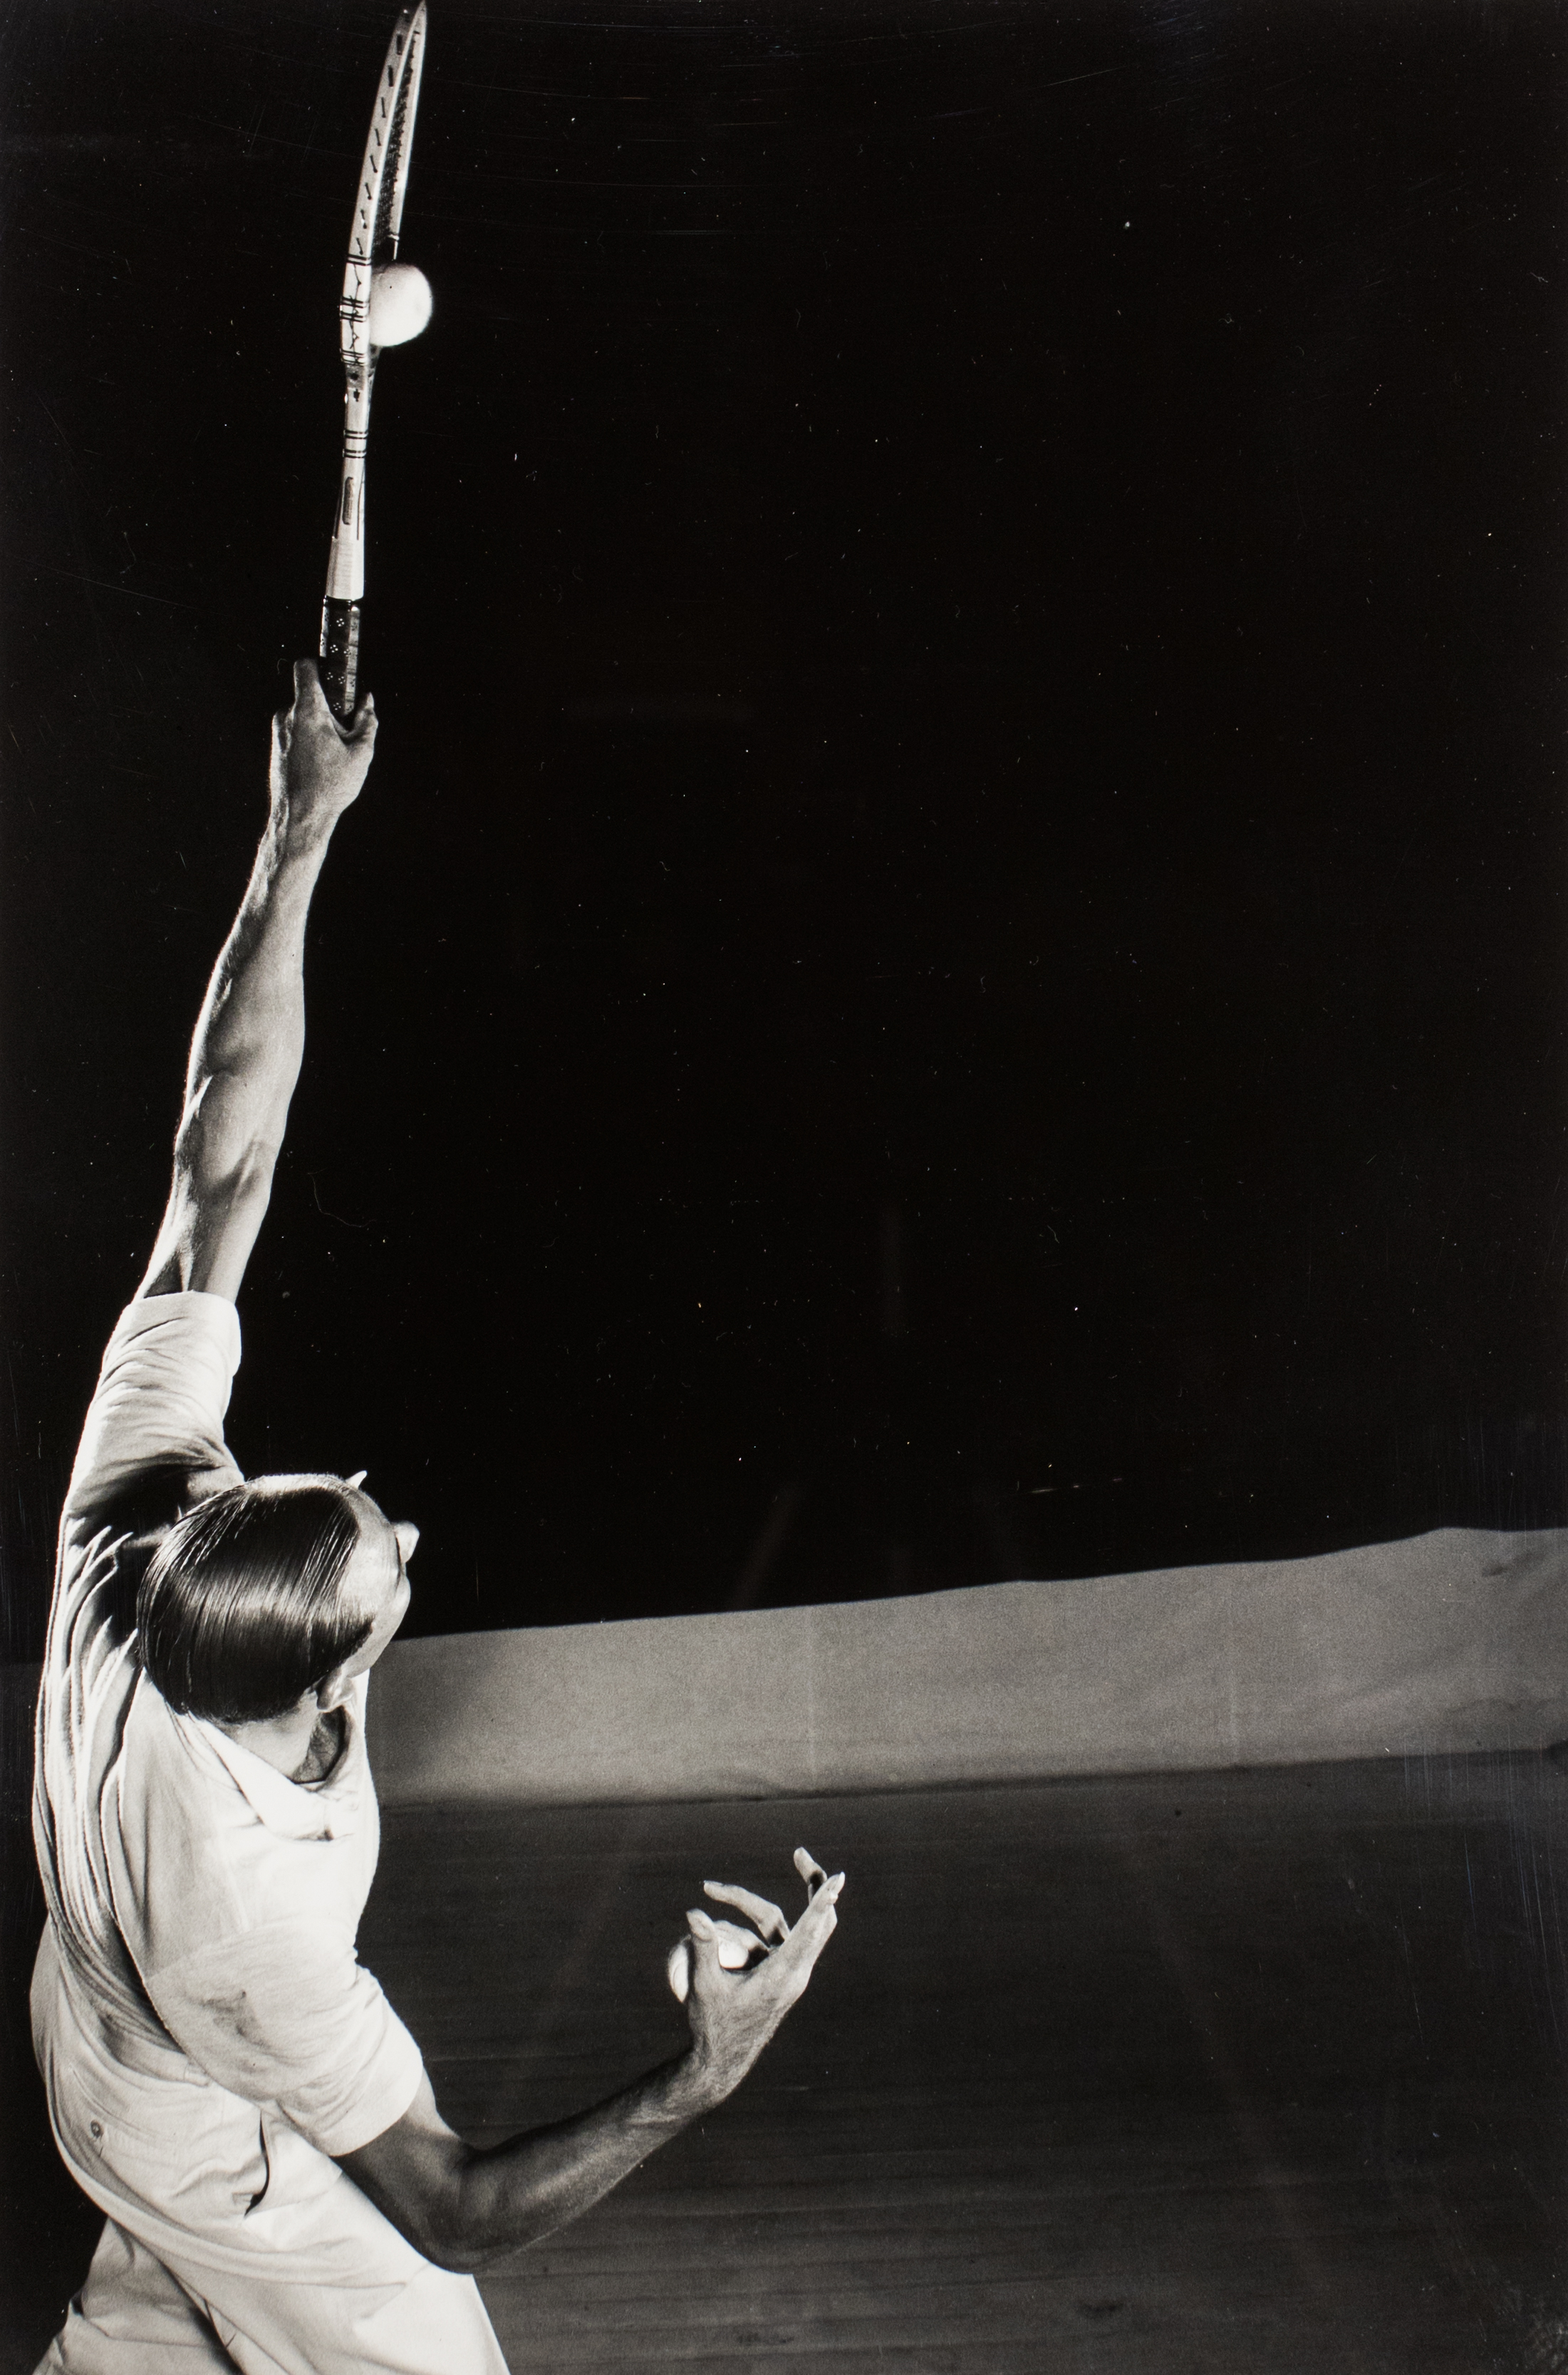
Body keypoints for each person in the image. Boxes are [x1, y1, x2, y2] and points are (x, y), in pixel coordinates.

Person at [31, 662, 846, 2375]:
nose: (400, 1528)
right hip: (209, 2129)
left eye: (339, 1502)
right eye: (385, 1567)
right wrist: (708, 2062)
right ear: (324, 1690)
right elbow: (455, 2203)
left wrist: (297, 831)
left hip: (106, 2052)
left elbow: (220, 1165)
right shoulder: (243, 1900)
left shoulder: (123, 1520)